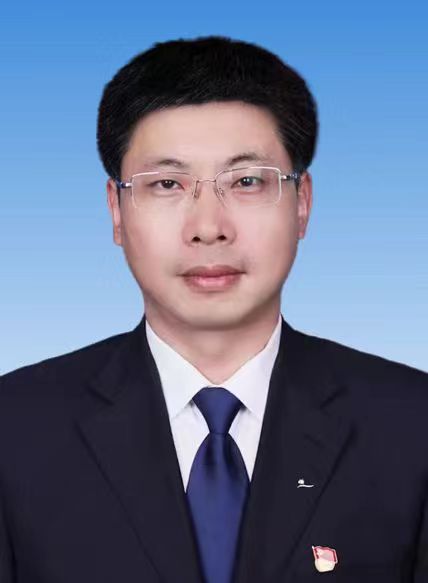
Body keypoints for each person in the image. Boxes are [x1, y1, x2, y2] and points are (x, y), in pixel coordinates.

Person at [0, 35, 427, 583]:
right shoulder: (16, 429)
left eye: (247, 181)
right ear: (116, 210)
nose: (208, 228)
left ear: (302, 204)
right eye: (167, 183)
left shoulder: (411, 426)